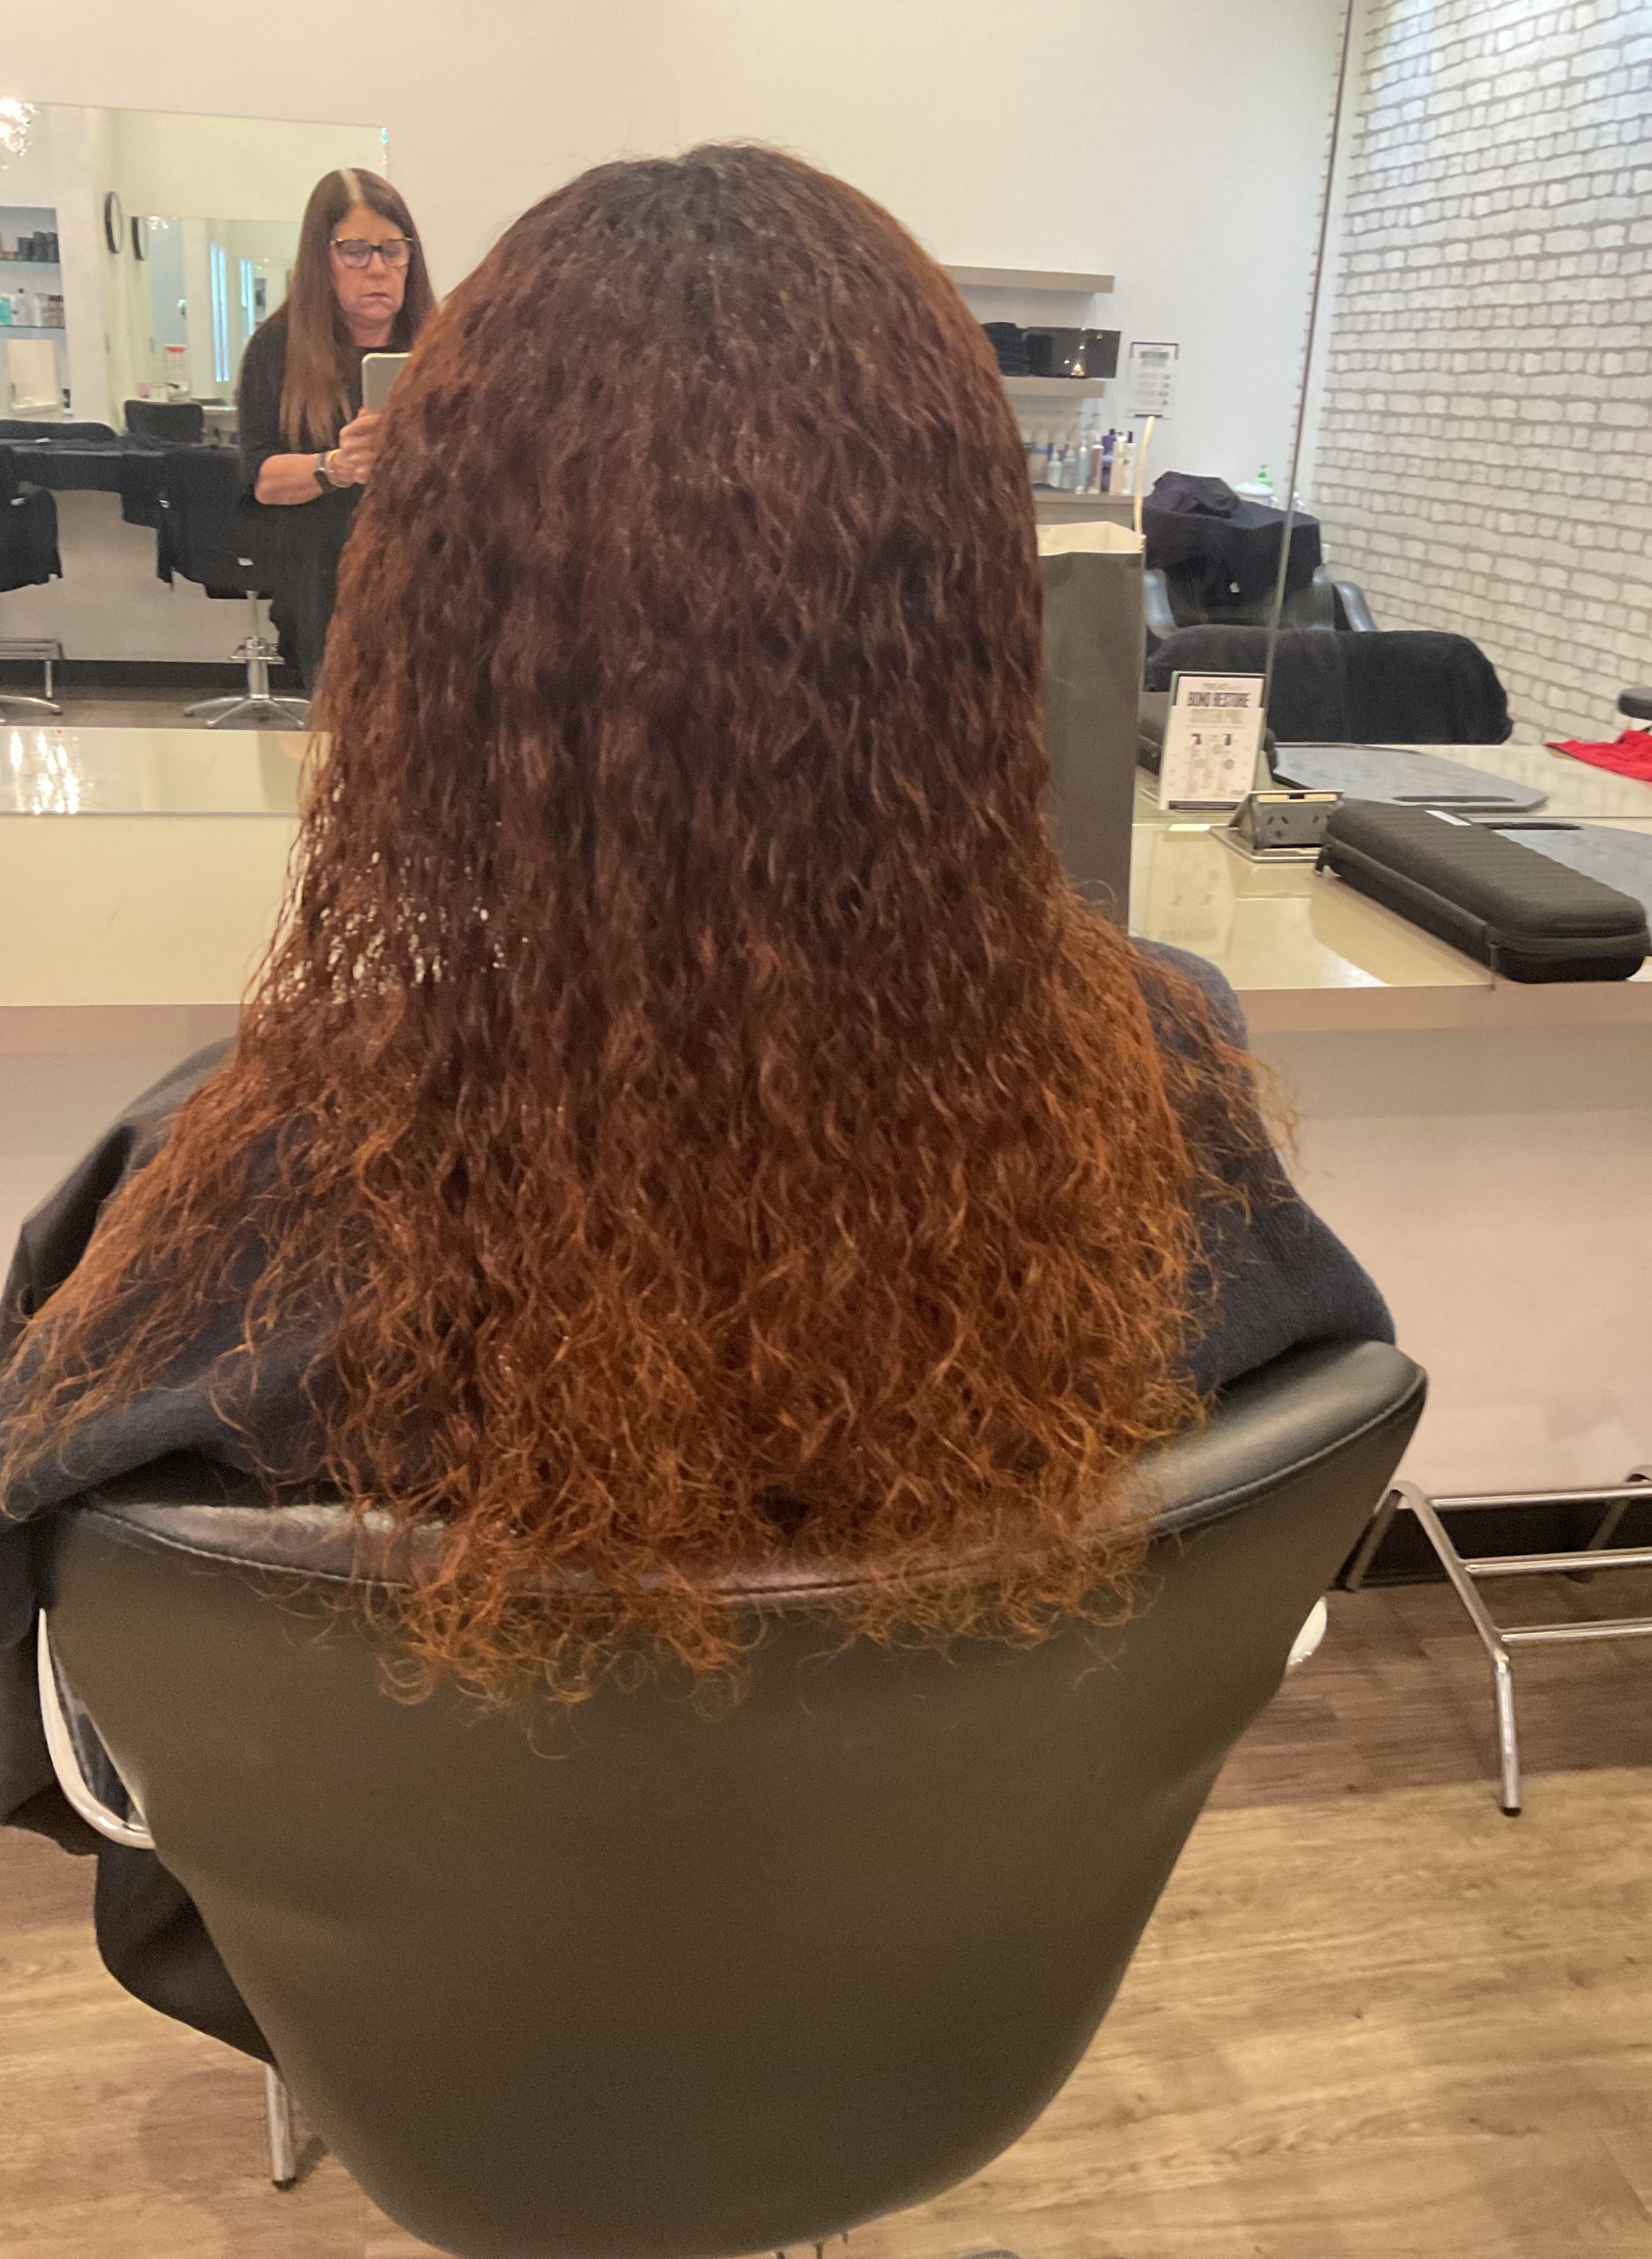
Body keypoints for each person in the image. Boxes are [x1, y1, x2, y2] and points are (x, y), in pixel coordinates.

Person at [0, 146, 1390, 2055]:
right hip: (940, 1972)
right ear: (965, 622)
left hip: (444, 2020)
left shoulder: (231, 1179)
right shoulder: (1165, 1082)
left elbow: (41, 1706)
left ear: (436, 634)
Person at [237, 165, 436, 690]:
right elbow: (261, 479)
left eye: (393, 249)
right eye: (355, 250)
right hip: (324, 586)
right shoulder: (276, 350)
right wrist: (335, 467)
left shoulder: (443, 345)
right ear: (321, 259)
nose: (377, 268)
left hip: (432, 587)